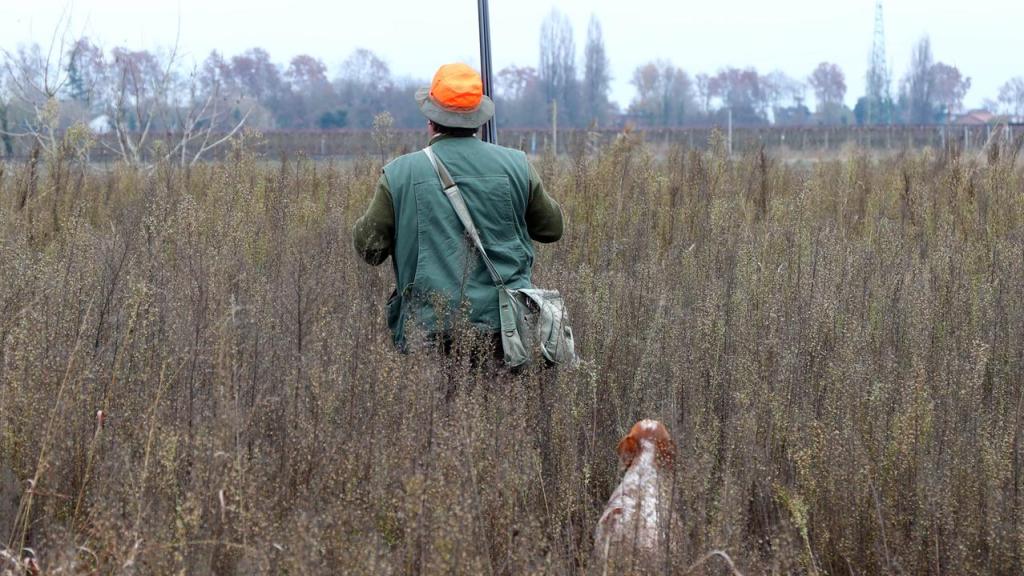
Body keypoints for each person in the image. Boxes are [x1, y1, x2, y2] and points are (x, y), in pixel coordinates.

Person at [353, 63, 564, 361]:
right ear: (479, 119)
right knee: (503, 393)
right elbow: (552, 228)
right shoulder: (517, 164)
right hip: (506, 331)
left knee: (435, 394)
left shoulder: (399, 174)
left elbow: (369, 249)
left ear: (430, 118)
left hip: (429, 330)